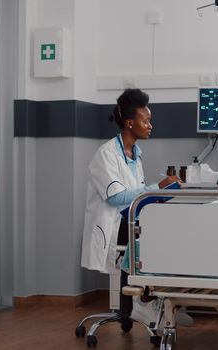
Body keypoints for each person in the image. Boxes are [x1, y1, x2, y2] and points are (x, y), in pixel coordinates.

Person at [80, 88, 180, 327]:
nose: (150, 125)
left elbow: (135, 195)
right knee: (151, 238)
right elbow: (116, 198)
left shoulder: (135, 154)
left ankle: (155, 302)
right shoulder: (105, 154)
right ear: (129, 122)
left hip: (129, 220)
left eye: (149, 120)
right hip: (113, 223)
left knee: (164, 229)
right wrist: (156, 188)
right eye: (145, 121)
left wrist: (161, 193)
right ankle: (146, 303)